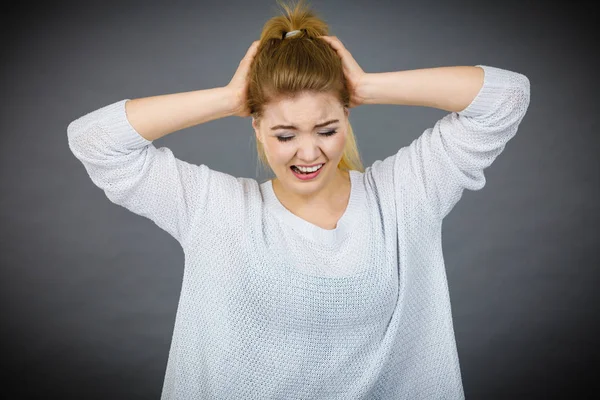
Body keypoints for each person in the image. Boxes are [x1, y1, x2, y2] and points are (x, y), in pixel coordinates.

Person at [67, 0, 530, 398]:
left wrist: (367, 86)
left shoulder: (405, 194)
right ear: (256, 127)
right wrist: (231, 97)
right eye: (285, 134)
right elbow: (93, 140)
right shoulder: (215, 209)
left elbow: (506, 97)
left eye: (326, 129)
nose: (309, 153)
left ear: (347, 118)